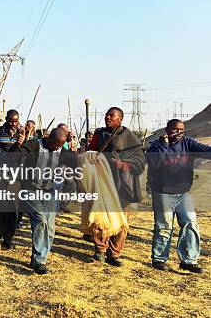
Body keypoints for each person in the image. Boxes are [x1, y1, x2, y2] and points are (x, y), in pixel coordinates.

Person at [146, 119, 211, 273]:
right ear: (167, 130)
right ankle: (159, 259)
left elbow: (207, 151)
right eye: (174, 129)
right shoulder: (156, 146)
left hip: (183, 193)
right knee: (164, 226)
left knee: (190, 223)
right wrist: (164, 145)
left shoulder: (188, 143)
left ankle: (189, 260)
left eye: (181, 129)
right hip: (163, 193)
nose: (178, 132)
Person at [87, 107, 145, 266]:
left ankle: (114, 254)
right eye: (106, 115)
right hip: (103, 181)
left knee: (120, 220)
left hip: (122, 184)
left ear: (120, 119)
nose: (107, 117)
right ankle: (100, 250)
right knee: (101, 218)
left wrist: (122, 164)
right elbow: (89, 154)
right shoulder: (98, 135)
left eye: (111, 115)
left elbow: (140, 161)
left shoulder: (129, 137)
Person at [16, 128, 77, 274]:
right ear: (48, 138)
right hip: (30, 189)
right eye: (55, 144)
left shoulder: (62, 151)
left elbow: (74, 164)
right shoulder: (34, 145)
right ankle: (38, 261)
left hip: (50, 191)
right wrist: (18, 144)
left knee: (49, 227)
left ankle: (40, 258)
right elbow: (17, 156)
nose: (56, 147)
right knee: (40, 219)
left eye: (60, 145)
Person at [0, 109, 25, 251]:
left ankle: (8, 238)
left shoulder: (22, 134)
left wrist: (21, 144)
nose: (13, 124)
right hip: (1, 175)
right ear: (6, 119)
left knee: (13, 209)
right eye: (11, 121)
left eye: (16, 121)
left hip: (16, 176)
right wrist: (16, 146)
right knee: (0, 209)